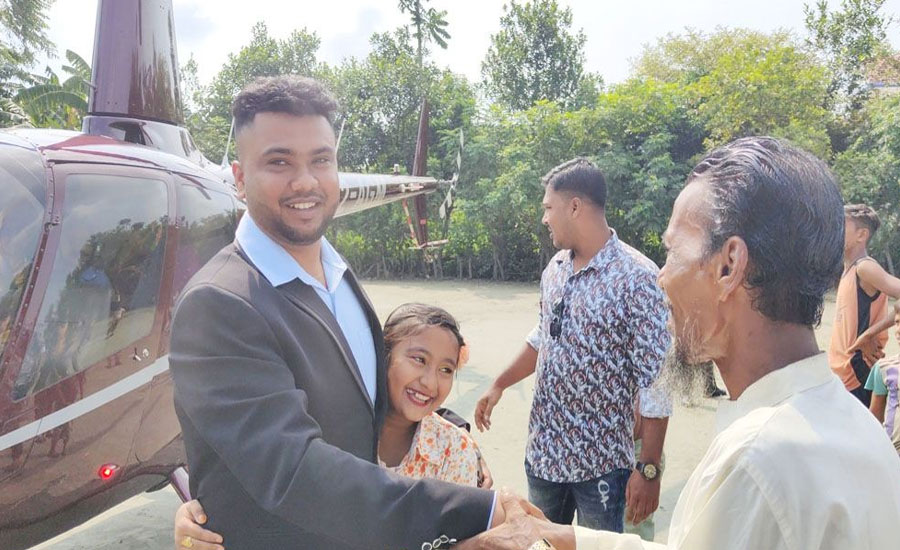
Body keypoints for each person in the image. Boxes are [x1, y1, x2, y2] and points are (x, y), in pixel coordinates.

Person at [458, 136, 900, 550]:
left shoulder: (756, 462)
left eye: (672, 253)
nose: (663, 278)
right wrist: (561, 536)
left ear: (729, 266)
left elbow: (652, 383)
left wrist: (647, 467)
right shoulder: (855, 428)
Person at [168, 76, 521, 550]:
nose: (305, 181)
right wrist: (473, 508)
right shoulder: (220, 304)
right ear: (238, 176)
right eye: (278, 161)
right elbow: (293, 470)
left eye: (321, 160)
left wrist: (449, 434)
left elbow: (365, 402)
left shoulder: (339, 276)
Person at [173, 303, 492, 548]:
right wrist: (198, 518)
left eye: (446, 369)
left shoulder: (455, 448)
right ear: (383, 356)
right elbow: (268, 482)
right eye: (419, 360)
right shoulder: (323, 425)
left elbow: (461, 537)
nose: (430, 381)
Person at [474, 158, 671, 533]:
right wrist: (499, 384)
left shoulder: (638, 278)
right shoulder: (556, 268)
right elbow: (543, 336)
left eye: (549, 208)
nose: (545, 218)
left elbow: (656, 381)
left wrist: (648, 469)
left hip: (602, 467)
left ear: (575, 206)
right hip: (546, 458)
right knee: (541, 544)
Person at [829, 204, 900, 406]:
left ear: (861, 235)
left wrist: (869, 334)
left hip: (857, 371)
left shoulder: (865, 268)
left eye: (841, 227)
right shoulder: (849, 269)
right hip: (842, 373)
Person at [865, 302, 900, 454]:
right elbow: (873, 421)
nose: (898, 330)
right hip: (893, 456)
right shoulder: (883, 368)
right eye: (897, 323)